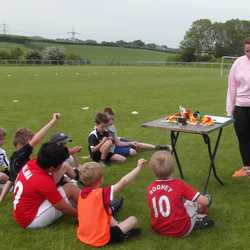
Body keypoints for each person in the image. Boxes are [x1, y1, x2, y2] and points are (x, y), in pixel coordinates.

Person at [77, 159, 146, 247]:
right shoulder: (101, 193)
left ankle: (117, 226)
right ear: (101, 179)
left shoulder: (81, 194)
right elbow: (123, 181)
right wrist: (139, 167)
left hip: (84, 235)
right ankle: (122, 235)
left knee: (107, 209)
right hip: (100, 238)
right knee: (133, 220)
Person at [147, 151, 214, 238]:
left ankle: (194, 217)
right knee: (194, 204)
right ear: (173, 169)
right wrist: (207, 198)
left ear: (153, 171)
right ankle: (199, 218)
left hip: (158, 228)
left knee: (183, 204)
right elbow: (205, 202)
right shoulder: (179, 184)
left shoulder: (150, 188)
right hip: (180, 229)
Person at [13, 143, 80, 229]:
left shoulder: (32, 163)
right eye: (61, 163)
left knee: (70, 189)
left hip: (22, 213)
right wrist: (79, 215)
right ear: (52, 167)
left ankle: (89, 205)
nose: (62, 164)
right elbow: (62, 206)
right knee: (71, 188)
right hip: (30, 220)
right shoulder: (43, 180)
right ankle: (92, 208)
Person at [0, 113, 60, 203]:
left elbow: (10, 180)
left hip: (23, 190)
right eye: (30, 143)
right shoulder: (21, 154)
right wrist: (53, 121)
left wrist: (1, 199)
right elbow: (36, 139)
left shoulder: (14, 158)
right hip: (30, 192)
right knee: (62, 168)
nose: (32, 147)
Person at [104, 107, 171, 158]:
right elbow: (118, 144)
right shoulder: (102, 129)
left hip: (117, 142)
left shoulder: (112, 126)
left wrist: (130, 143)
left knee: (136, 144)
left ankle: (159, 147)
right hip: (112, 148)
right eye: (110, 119)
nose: (112, 121)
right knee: (133, 152)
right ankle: (114, 157)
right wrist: (129, 143)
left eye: (113, 119)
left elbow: (117, 142)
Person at [227, 37, 250, 177]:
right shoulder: (238, 63)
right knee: (243, 138)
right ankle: (247, 168)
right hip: (240, 107)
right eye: (247, 51)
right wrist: (230, 110)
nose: (249, 54)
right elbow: (232, 86)